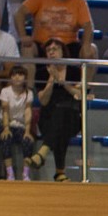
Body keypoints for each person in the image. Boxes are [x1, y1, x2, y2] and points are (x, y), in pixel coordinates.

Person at [14, 0, 97, 63]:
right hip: (42, 44)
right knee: (27, 49)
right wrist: (23, 36)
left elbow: (88, 26)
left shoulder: (80, 2)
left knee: (91, 49)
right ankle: (29, 73)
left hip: (68, 46)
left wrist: (86, 44)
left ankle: (86, 74)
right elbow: (19, 14)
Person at [29, 38, 81, 182]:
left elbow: (79, 95)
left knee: (63, 114)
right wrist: (51, 79)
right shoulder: (41, 73)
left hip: (73, 116)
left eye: (55, 49)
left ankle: (42, 153)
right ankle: (59, 173)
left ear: (63, 52)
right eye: (48, 50)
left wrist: (62, 82)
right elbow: (43, 101)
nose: (51, 52)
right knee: (59, 122)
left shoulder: (74, 71)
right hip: (48, 116)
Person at [0, 66, 34, 179]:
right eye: (14, 75)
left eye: (20, 75)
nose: (17, 77)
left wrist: (27, 131)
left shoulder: (29, 93)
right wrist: (6, 128)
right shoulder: (5, 91)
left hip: (21, 125)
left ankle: (25, 173)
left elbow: (28, 112)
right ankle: (10, 172)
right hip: (6, 123)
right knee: (6, 138)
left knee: (28, 141)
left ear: (25, 78)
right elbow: (5, 111)